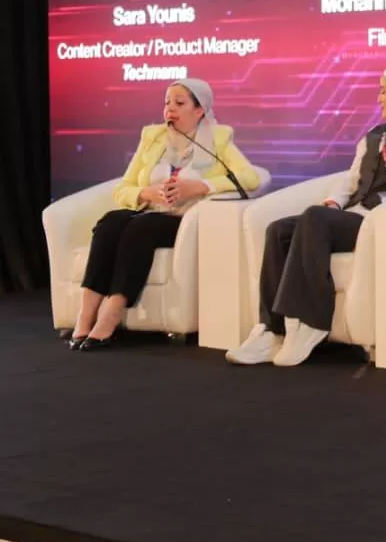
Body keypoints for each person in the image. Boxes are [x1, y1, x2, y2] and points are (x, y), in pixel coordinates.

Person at [228, 61, 386, 367]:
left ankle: (311, 321)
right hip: (354, 214)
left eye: (384, 91)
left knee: (314, 218)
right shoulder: (375, 135)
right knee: (279, 230)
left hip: (380, 220)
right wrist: (334, 201)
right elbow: (351, 180)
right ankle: (271, 329)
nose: (379, 98)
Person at [71, 78, 260, 350]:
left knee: (141, 228)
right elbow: (123, 187)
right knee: (110, 222)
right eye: (167, 102)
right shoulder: (153, 138)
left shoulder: (218, 139)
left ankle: (111, 314)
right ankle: (85, 316)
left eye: (179, 103)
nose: (170, 109)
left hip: (183, 220)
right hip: (149, 209)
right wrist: (145, 193)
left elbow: (250, 177)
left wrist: (201, 186)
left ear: (199, 110)